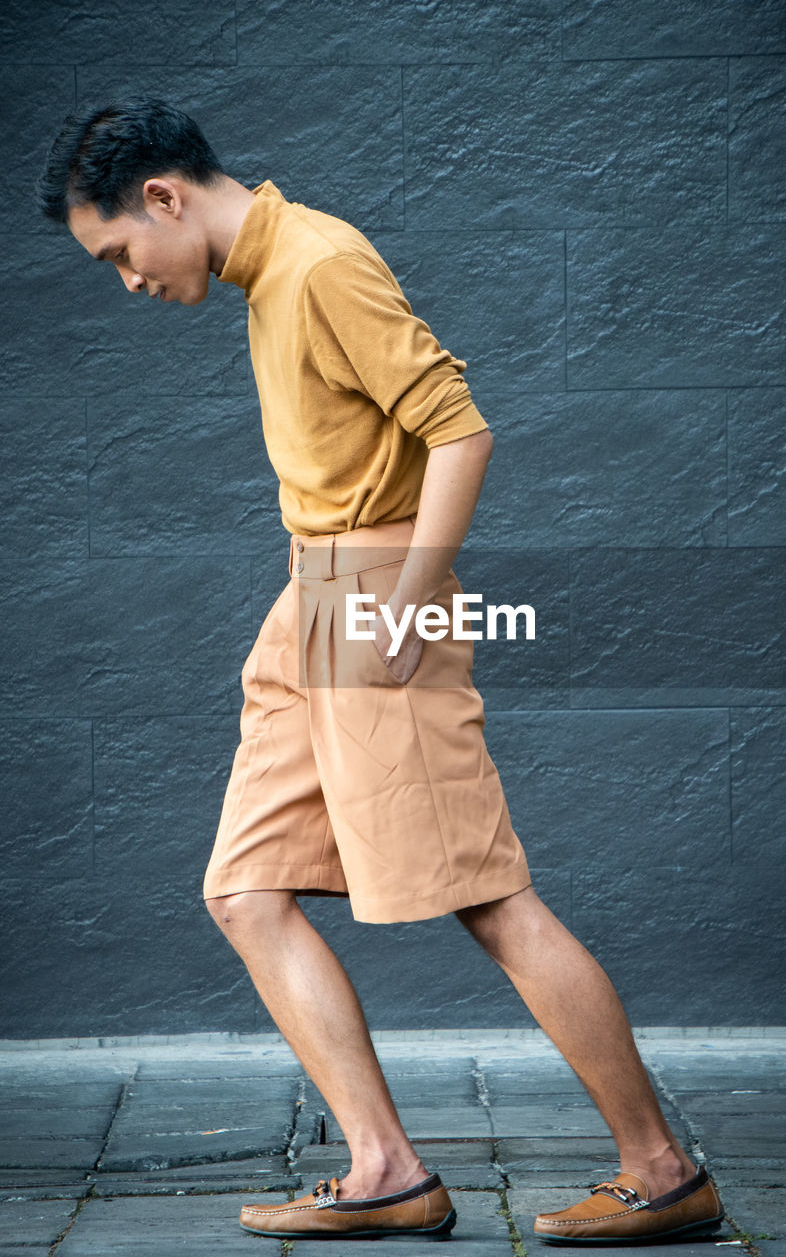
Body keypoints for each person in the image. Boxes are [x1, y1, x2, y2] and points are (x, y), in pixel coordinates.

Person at [37, 97, 724, 1246]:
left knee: (488, 896)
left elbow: (460, 430)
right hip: (313, 593)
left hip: (368, 597)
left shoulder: (318, 263)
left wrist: (403, 596)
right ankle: (386, 1167)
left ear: (160, 197)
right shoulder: (272, 275)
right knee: (245, 887)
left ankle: (661, 1168)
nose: (130, 281)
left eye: (118, 254)